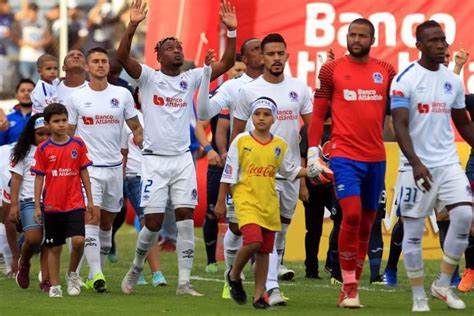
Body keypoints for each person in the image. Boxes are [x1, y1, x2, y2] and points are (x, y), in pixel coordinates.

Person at [119, 0, 237, 296]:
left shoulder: (191, 77)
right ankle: (135, 267)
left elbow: (223, 64)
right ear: (158, 55)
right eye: (170, 46)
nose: (177, 49)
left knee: (186, 214)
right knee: (154, 222)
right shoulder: (148, 78)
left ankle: (184, 282)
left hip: (182, 159)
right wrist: (132, 26)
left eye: (179, 46)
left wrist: (231, 33)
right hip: (154, 162)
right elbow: (121, 57)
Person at [307, 18, 396, 308]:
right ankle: (349, 285)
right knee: (352, 215)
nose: (356, 39)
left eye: (362, 35)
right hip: (344, 155)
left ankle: (351, 287)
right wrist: (312, 152)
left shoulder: (386, 71)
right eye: (352, 35)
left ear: (372, 39)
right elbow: (318, 114)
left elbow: (395, 114)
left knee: (368, 221)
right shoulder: (331, 70)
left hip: (376, 157)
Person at [390, 20, 474, 312]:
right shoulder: (405, 79)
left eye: (444, 41)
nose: (442, 46)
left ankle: (442, 283)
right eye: (434, 41)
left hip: (448, 161)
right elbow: (399, 125)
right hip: (415, 166)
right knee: (412, 232)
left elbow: (462, 122)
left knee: (464, 215)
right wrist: (415, 163)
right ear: (419, 46)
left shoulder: (454, 81)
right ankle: (418, 297)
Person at [229, 33, 313, 306]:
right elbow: (237, 135)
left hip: (288, 172)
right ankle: (272, 289)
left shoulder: (299, 89)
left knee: (280, 233)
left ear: (287, 55)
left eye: (281, 53)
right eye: (271, 54)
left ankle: (262, 284)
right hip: (257, 178)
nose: (276, 58)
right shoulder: (249, 91)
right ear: (262, 57)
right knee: (268, 233)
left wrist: (306, 171)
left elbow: (309, 132)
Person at [215, 97, 314, 309]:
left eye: (266, 114)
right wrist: (221, 202)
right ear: (251, 116)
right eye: (257, 114)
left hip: (269, 202)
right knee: (254, 241)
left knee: (264, 251)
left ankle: (259, 296)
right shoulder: (241, 141)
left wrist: (311, 171)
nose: (261, 118)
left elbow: (290, 171)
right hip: (246, 201)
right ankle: (233, 274)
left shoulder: (280, 145)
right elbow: (228, 173)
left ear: (274, 118)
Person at [66, 47, 143, 293]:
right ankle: (98, 273)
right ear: (87, 67)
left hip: (114, 168)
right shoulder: (76, 98)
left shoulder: (122, 94)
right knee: (92, 217)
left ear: (108, 66)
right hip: (88, 169)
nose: (100, 65)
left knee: (108, 222)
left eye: (103, 61)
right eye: (95, 61)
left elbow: (135, 127)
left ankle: (91, 272)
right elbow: (68, 134)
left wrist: (143, 140)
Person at [194, 44, 263, 274]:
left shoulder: (277, 85)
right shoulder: (230, 90)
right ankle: (217, 262)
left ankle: (267, 270)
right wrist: (215, 150)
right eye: (235, 69)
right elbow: (214, 125)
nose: (237, 72)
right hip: (228, 162)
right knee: (221, 215)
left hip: (263, 164)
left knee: (265, 218)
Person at [31, 103, 94, 298]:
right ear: (48, 125)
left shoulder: (78, 144)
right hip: (52, 205)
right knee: (54, 246)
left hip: (75, 202)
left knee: (79, 241)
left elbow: (84, 173)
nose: (61, 124)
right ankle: (55, 286)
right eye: (56, 121)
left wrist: (90, 201)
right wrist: (36, 206)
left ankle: (72, 274)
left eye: (64, 120)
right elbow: (39, 178)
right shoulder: (43, 149)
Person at [120, 93, 167, 287]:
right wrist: (120, 175)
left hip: (156, 174)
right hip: (135, 174)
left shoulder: (163, 118)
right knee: (147, 219)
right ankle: (155, 273)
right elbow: (122, 150)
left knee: (153, 221)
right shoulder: (128, 121)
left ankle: (139, 269)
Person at [9, 114, 49, 290]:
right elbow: (16, 179)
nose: (45, 138)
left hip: (53, 202)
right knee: (33, 239)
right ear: (32, 134)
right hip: (29, 201)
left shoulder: (58, 148)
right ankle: (24, 263)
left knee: (50, 242)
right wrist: (14, 205)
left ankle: (47, 280)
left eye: (48, 134)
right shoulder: (23, 152)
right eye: (40, 134)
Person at [0, 79, 35, 145]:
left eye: (30, 91)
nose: (26, 93)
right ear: (16, 95)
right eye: (22, 91)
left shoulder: (42, 117)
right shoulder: (7, 119)